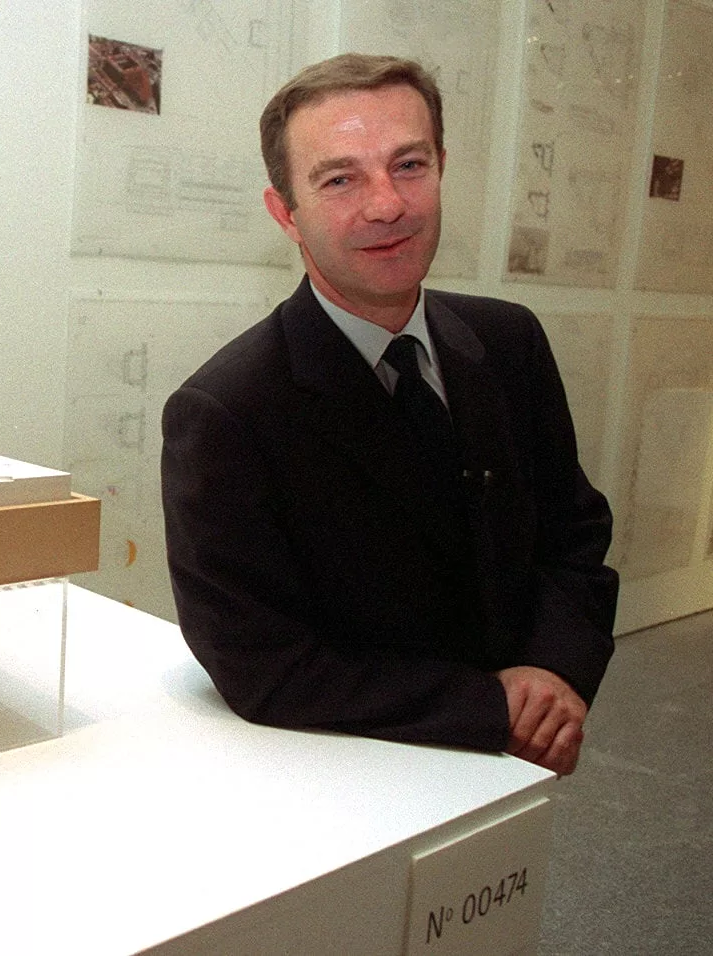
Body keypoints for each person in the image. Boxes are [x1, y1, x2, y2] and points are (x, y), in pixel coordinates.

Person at [160, 53, 618, 776]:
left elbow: (575, 533)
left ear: (442, 167)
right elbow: (260, 661)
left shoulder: (510, 341)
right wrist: (492, 707)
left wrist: (554, 674)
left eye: (409, 166)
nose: (386, 205)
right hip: (354, 779)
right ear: (286, 213)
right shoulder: (227, 412)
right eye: (340, 179)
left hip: (516, 762)